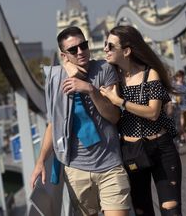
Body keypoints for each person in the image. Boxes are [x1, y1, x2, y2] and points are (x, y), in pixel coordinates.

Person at [30, 26, 131, 216]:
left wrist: (90, 89)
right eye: (73, 50)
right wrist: (40, 161)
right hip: (77, 170)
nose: (80, 52)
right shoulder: (55, 78)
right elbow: (54, 123)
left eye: (83, 45)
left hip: (111, 165)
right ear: (63, 55)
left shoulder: (105, 69)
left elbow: (114, 116)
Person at [100, 25, 182, 216]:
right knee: (142, 211)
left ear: (127, 51)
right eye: (105, 44)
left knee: (172, 211)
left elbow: (153, 112)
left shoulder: (150, 74)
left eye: (111, 46)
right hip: (132, 152)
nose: (105, 49)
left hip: (161, 149)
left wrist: (119, 101)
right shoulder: (112, 78)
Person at [171, 70, 186, 146]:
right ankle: (183, 137)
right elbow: (172, 96)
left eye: (182, 76)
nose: (181, 78)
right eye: (179, 76)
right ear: (176, 77)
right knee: (182, 124)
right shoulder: (173, 85)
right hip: (178, 107)